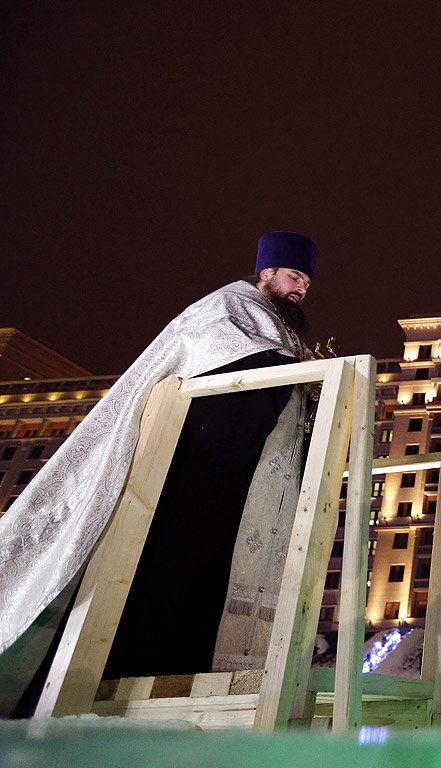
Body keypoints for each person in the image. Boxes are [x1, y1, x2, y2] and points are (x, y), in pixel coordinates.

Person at [0, 231, 319, 714]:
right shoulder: (229, 303)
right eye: (294, 276)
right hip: (192, 467)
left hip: (240, 482)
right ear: (267, 271)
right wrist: (296, 367)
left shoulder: (278, 322)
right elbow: (226, 357)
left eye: (307, 282)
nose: (300, 289)